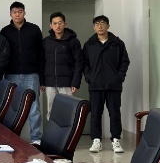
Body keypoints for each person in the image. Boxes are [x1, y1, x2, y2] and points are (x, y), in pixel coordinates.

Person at [83, 15, 130, 154]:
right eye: (97, 24)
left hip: (113, 85)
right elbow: (84, 63)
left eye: (103, 23)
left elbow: (125, 61)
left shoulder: (117, 43)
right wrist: (89, 77)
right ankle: (96, 140)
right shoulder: (89, 44)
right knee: (95, 114)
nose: (100, 26)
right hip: (95, 85)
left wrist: (119, 77)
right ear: (94, 27)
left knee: (114, 113)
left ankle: (116, 140)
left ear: (108, 26)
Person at [0, 1, 44, 144]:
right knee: (12, 107)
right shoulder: (5, 31)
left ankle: (36, 138)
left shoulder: (34, 29)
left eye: (20, 11)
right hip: (11, 74)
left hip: (31, 74)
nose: (17, 14)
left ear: (24, 13)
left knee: (34, 106)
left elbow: (41, 53)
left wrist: (42, 76)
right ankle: (11, 137)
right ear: (10, 14)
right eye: (14, 12)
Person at [39, 12, 84, 118]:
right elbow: (41, 62)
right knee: (51, 112)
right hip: (49, 83)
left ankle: (67, 130)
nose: (57, 26)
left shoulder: (73, 41)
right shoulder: (46, 42)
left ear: (65, 24)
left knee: (67, 112)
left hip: (66, 83)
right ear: (50, 25)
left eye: (60, 23)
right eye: (54, 23)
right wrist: (42, 82)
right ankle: (52, 129)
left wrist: (75, 82)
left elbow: (79, 63)